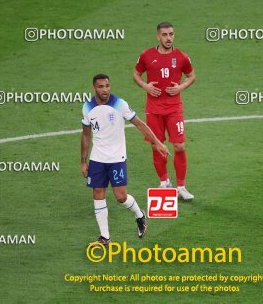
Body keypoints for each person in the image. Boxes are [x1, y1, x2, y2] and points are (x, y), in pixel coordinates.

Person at [81, 73, 169, 246]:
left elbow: (139, 124)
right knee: (98, 194)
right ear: (94, 88)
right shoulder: (87, 107)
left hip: (117, 158)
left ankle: (139, 215)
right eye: (101, 87)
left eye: (107, 86)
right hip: (97, 158)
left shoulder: (120, 104)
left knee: (120, 197)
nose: (105, 90)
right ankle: (105, 237)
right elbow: (86, 135)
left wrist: (157, 142)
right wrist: (83, 161)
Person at [133, 22, 196, 200]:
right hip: (153, 110)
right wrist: (145, 85)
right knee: (157, 145)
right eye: (165, 35)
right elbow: (136, 74)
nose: (168, 38)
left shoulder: (182, 57)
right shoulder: (147, 55)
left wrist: (181, 87)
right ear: (158, 36)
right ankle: (164, 182)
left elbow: (192, 75)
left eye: (171, 34)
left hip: (174, 108)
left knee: (179, 146)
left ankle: (181, 187)